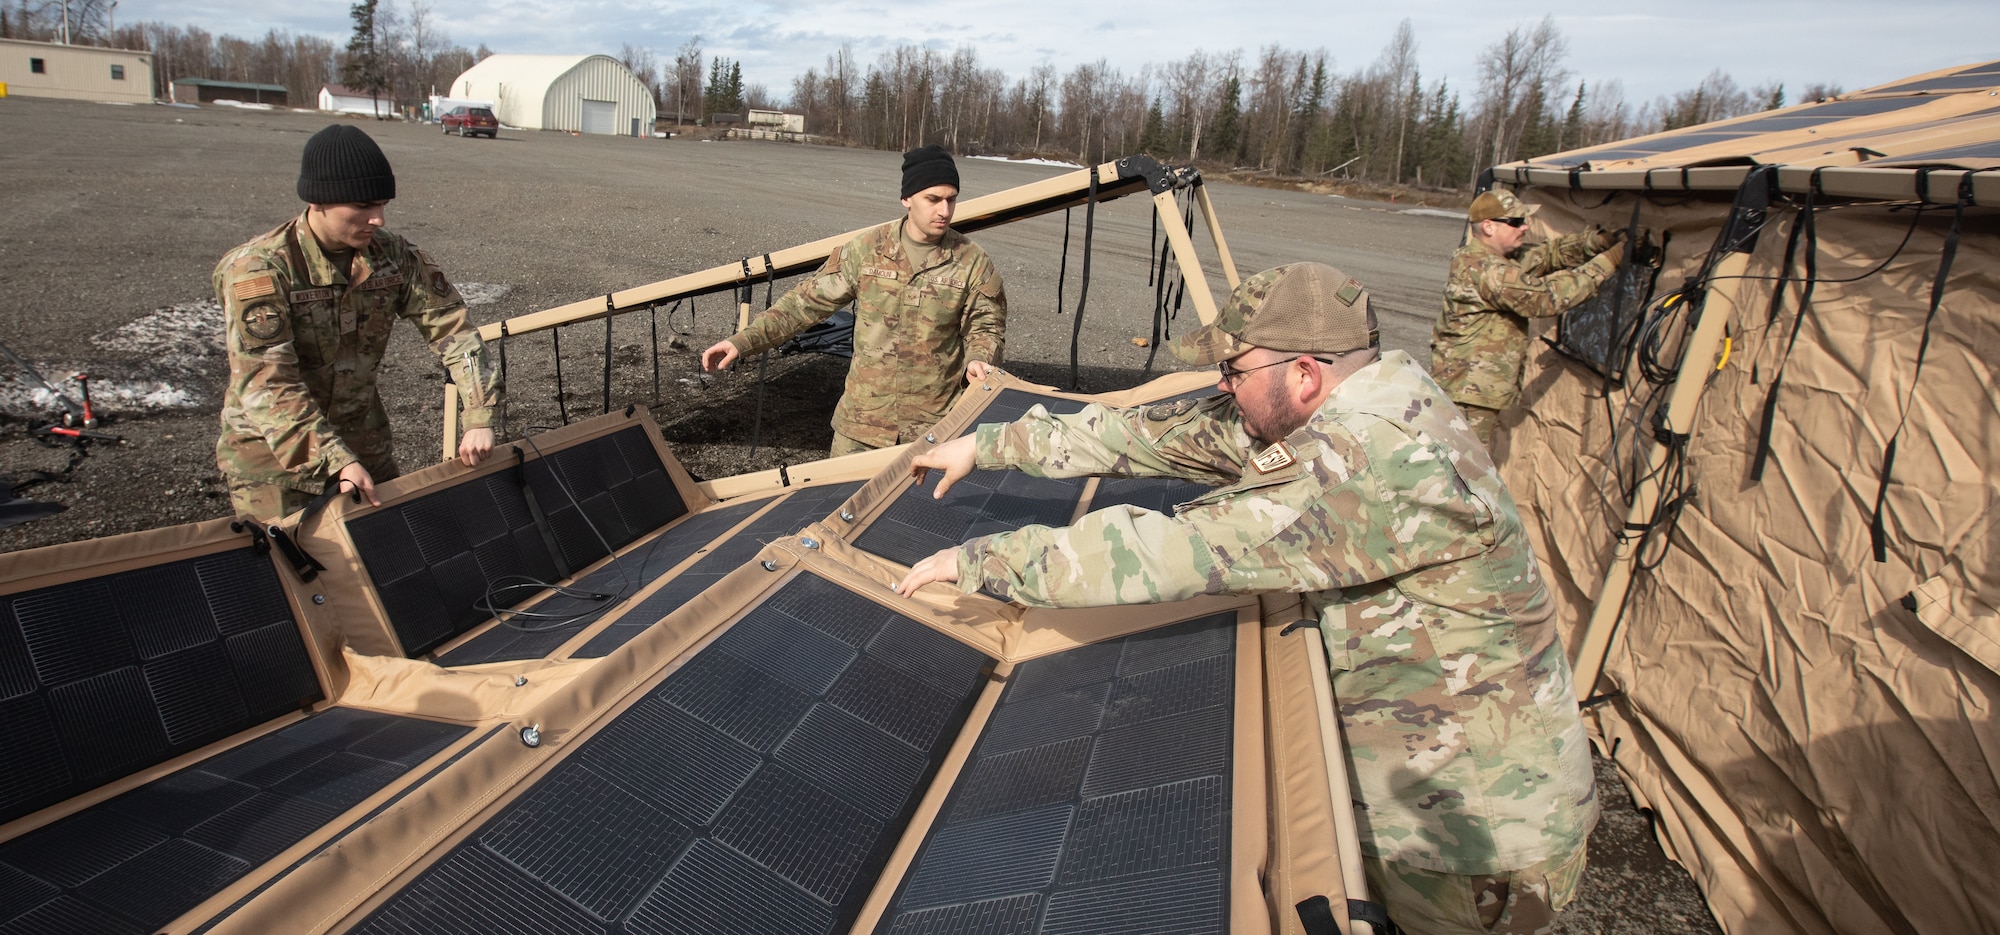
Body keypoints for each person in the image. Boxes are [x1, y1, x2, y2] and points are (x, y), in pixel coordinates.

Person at [894, 263, 1597, 935]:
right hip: (1423, 780)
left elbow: (1170, 552)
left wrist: (976, 558)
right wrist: (991, 445)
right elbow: (1156, 436)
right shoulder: (1354, 397)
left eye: (1234, 370)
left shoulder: (1373, 460)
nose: (1224, 387)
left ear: (1304, 373)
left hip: (1472, 829)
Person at [215, 124, 503, 523]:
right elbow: (267, 383)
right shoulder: (260, 270)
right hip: (276, 465)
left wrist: (479, 416)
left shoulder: (393, 256)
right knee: (294, 573)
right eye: (364, 207)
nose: (377, 219)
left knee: (388, 557)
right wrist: (334, 460)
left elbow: (454, 331)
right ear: (319, 201)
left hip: (364, 447)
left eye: (382, 205)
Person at [701, 145, 1007, 456]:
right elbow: (803, 305)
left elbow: (986, 327)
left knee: (923, 506)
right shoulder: (865, 251)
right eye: (933, 199)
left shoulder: (972, 261)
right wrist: (743, 341)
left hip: (935, 429)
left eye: (951, 199)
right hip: (862, 425)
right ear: (907, 199)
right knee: (842, 503)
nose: (944, 210)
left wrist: (979, 359)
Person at [1429, 188, 1625, 450]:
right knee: (1465, 468)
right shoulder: (1488, 270)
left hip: (1475, 390)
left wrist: (1599, 242)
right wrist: (1610, 261)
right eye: (1516, 222)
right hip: (1470, 393)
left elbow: (1549, 255)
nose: (1525, 227)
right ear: (1488, 227)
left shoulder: (1490, 259)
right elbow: (1547, 298)